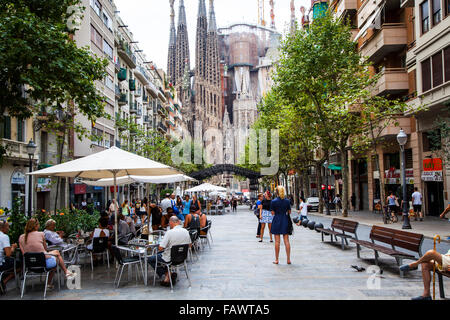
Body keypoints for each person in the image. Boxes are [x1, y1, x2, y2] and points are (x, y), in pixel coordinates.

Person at [19, 219, 76, 290]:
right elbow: (45, 249)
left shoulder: (21, 237)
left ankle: (65, 272)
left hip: (29, 264)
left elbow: (24, 253)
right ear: (36, 226)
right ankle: (54, 279)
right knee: (56, 257)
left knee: (56, 253)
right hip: (43, 262)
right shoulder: (40, 234)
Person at [147, 216, 191, 286]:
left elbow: (161, 248)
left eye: (169, 223)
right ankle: (168, 274)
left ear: (171, 222)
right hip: (182, 257)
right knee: (162, 254)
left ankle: (167, 274)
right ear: (178, 222)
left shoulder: (169, 232)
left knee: (150, 259)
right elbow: (189, 245)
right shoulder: (186, 231)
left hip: (170, 258)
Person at [270, 186, 292, 265]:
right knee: (286, 241)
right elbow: (289, 212)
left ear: (277, 192)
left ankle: (276, 259)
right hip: (285, 220)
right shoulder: (287, 201)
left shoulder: (273, 201)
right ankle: (288, 259)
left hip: (277, 220)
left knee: (277, 242)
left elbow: (272, 213)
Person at [0, 221, 19, 294]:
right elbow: (8, 254)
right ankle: (4, 282)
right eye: (8, 226)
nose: (9, 228)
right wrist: (13, 247)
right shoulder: (4, 237)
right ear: (3, 228)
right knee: (19, 264)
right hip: (1, 264)